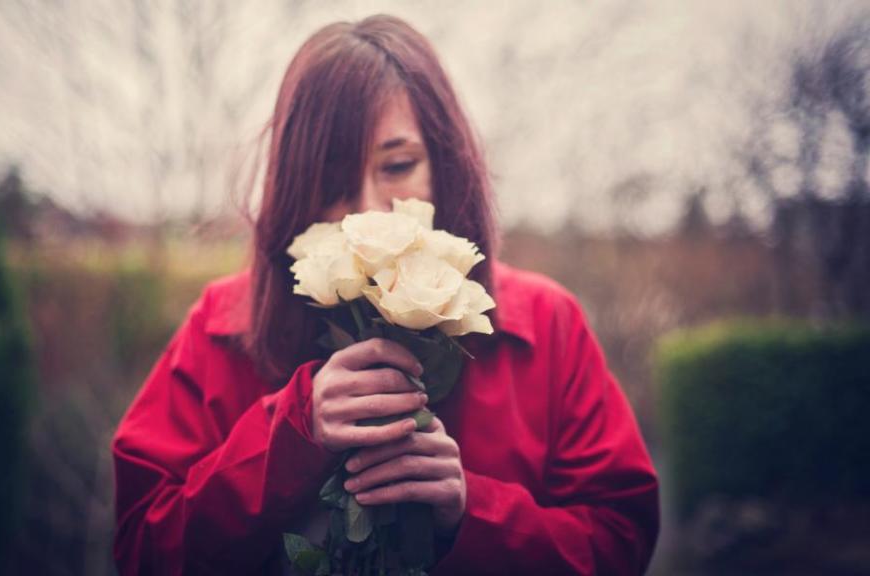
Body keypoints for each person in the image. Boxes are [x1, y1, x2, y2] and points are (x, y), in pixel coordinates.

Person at [112, 14, 659, 575]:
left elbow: (621, 538)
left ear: (447, 168)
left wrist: (472, 512)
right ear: (295, 189)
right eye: (331, 182)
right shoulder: (222, 327)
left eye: (398, 166)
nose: (368, 209)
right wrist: (291, 433)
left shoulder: (546, 323)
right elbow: (140, 551)